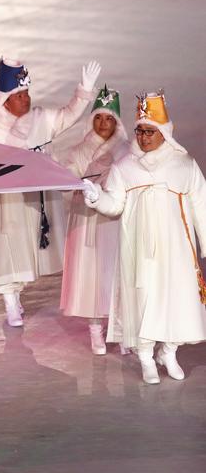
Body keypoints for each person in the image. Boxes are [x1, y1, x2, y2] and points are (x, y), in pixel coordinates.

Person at [83, 90, 206, 384]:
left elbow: (201, 204)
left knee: (177, 297)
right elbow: (115, 205)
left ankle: (170, 350)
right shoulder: (125, 167)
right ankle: (146, 356)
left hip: (176, 249)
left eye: (150, 131)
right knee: (144, 296)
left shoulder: (184, 164)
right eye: (140, 131)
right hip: (138, 250)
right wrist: (97, 197)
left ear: (164, 131)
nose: (144, 138)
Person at [0, 57, 101, 326]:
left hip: (38, 195)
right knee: (8, 246)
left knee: (30, 245)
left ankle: (17, 293)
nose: (25, 99)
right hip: (7, 199)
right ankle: (10, 299)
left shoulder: (40, 118)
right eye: (19, 95)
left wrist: (84, 90)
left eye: (27, 93)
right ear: (6, 99)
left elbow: (68, 115)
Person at [58, 85, 128, 354]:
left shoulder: (126, 151)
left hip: (113, 220)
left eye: (109, 118)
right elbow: (65, 181)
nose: (103, 124)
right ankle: (95, 328)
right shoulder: (79, 151)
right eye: (98, 117)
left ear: (117, 122)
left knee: (115, 272)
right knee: (90, 274)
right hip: (86, 220)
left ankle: (120, 328)